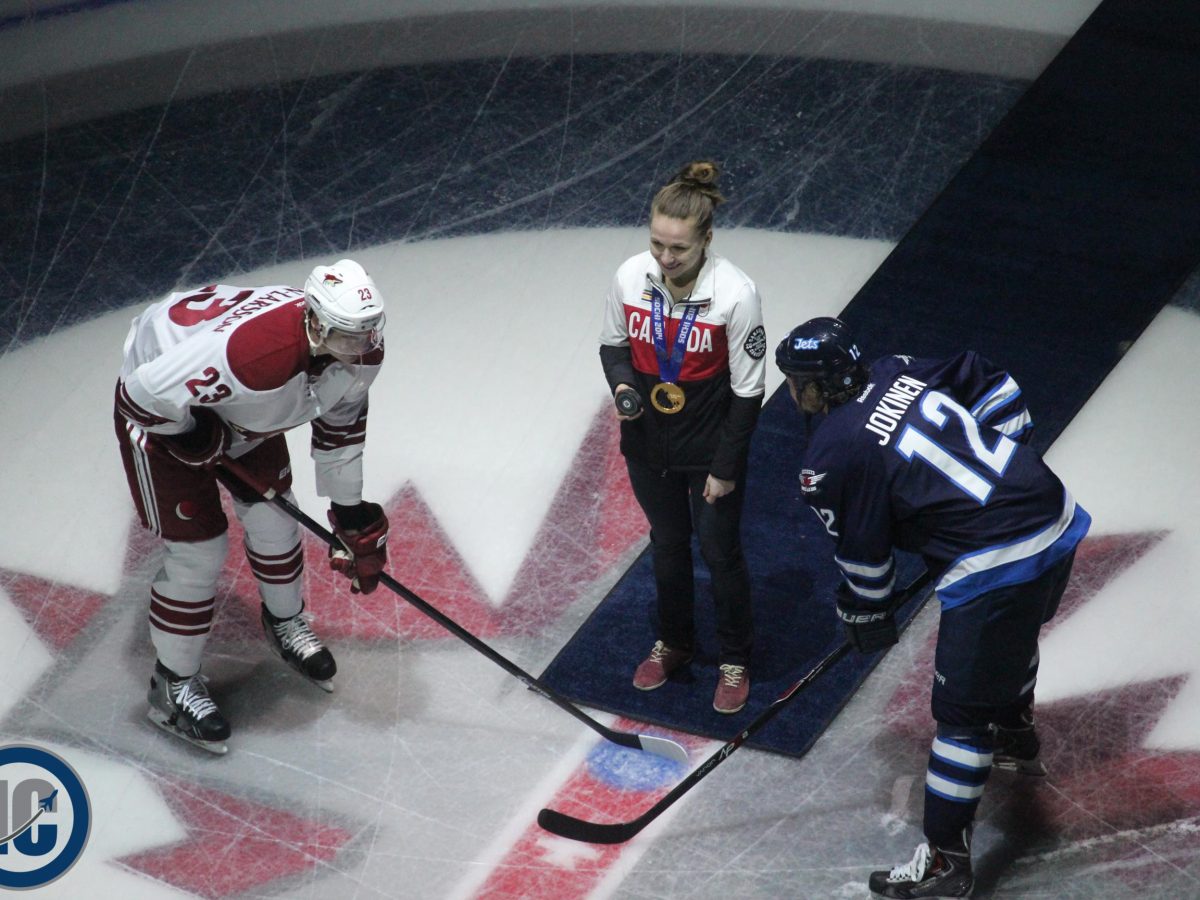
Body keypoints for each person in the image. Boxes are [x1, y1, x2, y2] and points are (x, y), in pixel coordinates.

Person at [775, 317, 1090, 898]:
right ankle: (1015, 734)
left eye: (795, 381)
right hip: (1053, 511)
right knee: (1012, 640)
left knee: (961, 719)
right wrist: (1004, 472)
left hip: (997, 561)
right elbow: (995, 385)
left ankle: (947, 865)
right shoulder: (896, 369)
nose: (792, 392)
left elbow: (867, 562)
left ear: (815, 386)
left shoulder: (831, 454)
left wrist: (866, 612)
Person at [114, 259, 391, 754]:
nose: (361, 347)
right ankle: (172, 684)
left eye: (368, 333)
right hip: (162, 418)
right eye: (348, 336)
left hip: (241, 411)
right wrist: (191, 433)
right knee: (199, 554)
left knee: (277, 517)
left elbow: (341, 430)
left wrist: (349, 513)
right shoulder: (251, 356)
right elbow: (140, 396)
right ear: (314, 322)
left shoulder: (359, 352)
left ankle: (285, 621)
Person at [599, 160, 766, 714]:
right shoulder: (630, 277)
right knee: (667, 544)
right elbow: (613, 345)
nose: (665, 258)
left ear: (707, 240)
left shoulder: (735, 294)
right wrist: (624, 386)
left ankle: (734, 658)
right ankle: (674, 642)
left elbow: (748, 391)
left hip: (708, 452)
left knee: (719, 553)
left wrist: (725, 467)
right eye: (657, 245)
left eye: (679, 249)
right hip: (647, 447)